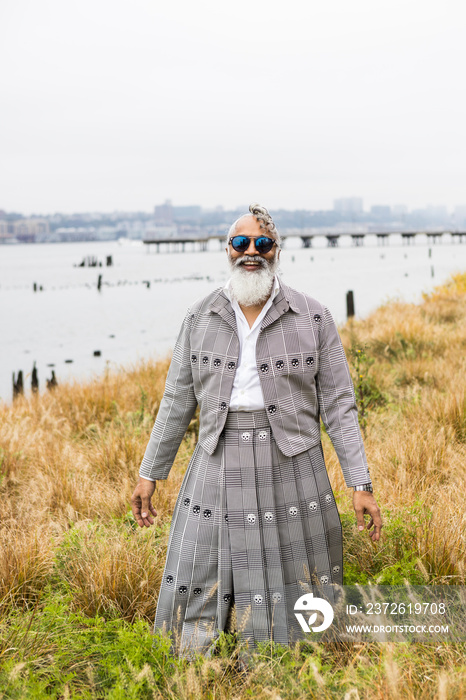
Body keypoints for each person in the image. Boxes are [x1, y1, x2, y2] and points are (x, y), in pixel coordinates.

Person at [131, 203, 382, 655]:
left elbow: (340, 406)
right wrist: (151, 472)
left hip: (293, 458)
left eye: (262, 243)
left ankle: (291, 654)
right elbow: (176, 400)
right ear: (227, 250)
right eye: (241, 243)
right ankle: (194, 659)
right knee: (201, 564)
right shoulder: (198, 317)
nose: (252, 251)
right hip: (217, 455)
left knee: (294, 565)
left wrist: (359, 483)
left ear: (277, 250)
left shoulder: (314, 316)